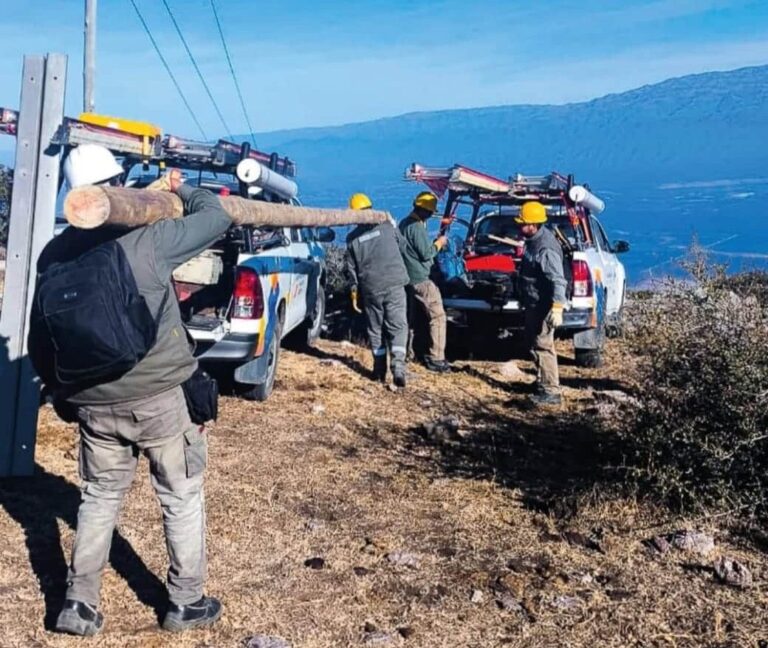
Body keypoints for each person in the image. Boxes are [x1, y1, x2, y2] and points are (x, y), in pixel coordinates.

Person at [30, 145, 232, 636]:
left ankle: (79, 604)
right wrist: (177, 186)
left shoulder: (53, 254)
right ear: (119, 188)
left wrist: (63, 395)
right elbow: (217, 215)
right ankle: (185, 602)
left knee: (98, 497)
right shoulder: (149, 241)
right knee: (180, 496)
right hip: (160, 397)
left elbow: (42, 336)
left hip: (92, 401)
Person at [346, 193, 410, 387]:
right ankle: (398, 367)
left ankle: (379, 370)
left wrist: (354, 292)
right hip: (394, 283)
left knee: (375, 329)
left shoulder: (352, 239)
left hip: (371, 288)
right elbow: (404, 247)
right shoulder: (387, 226)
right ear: (371, 208)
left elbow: (351, 270)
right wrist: (393, 225)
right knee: (398, 326)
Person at [516, 201, 568, 406]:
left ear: (533, 224)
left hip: (544, 306)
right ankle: (542, 381)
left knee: (544, 346)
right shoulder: (533, 241)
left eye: (523, 223)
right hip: (534, 303)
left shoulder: (546, 248)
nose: (519, 227)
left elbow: (558, 280)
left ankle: (551, 391)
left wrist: (557, 308)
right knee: (535, 344)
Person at [398, 191, 450, 373]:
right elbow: (426, 253)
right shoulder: (416, 227)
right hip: (421, 278)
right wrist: (439, 243)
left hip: (408, 278)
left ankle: (409, 352)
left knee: (414, 318)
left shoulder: (404, 223)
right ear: (425, 211)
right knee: (438, 316)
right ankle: (437, 358)